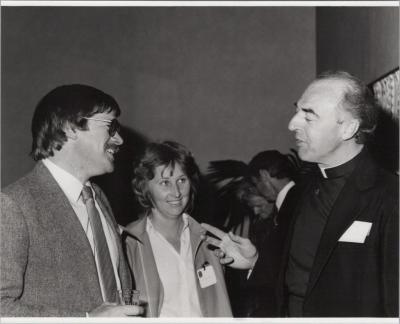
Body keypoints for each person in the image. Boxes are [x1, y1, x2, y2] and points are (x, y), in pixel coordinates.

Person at [202, 71, 399, 317]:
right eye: (298, 111)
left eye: (309, 116)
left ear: (348, 128)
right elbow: (298, 276)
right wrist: (255, 261)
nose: (292, 124)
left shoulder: (391, 197)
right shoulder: (299, 193)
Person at [0, 84, 143, 317]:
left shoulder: (98, 198)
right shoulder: (12, 205)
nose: (119, 139)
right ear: (71, 127)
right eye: (110, 126)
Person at [123, 141, 232, 317]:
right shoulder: (129, 243)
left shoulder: (209, 240)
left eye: (182, 180)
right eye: (164, 182)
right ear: (145, 187)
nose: (176, 192)